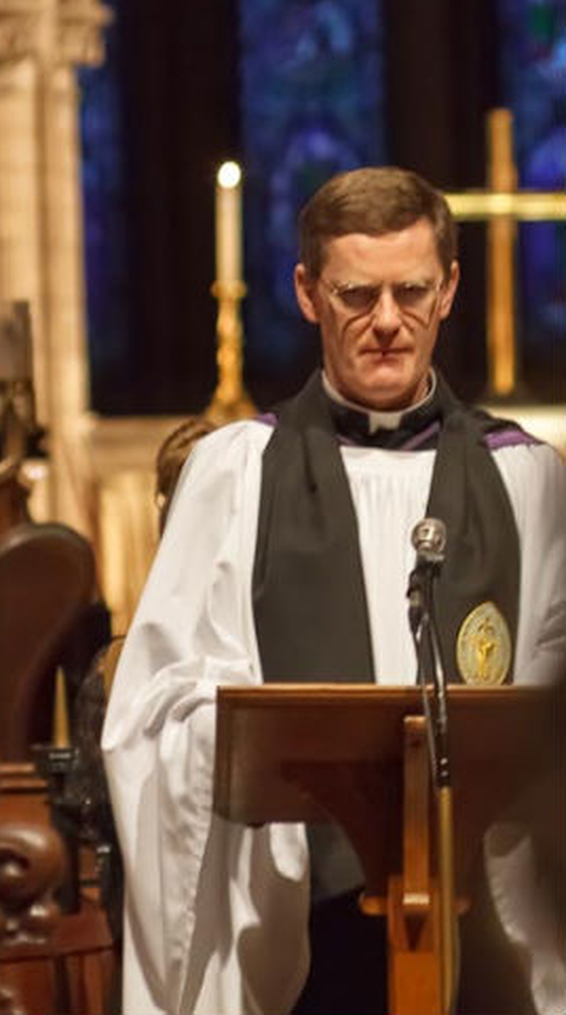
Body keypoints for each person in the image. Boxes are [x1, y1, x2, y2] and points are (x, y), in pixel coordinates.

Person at [102, 167, 565, 1015]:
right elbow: (153, 710)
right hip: (301, 926)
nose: (387, 322)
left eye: (411, 291)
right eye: (357, 295)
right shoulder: (235, 476)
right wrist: (235, 732)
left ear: (450, 289)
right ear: (308, 294)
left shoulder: (526, 481)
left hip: (486, 924)